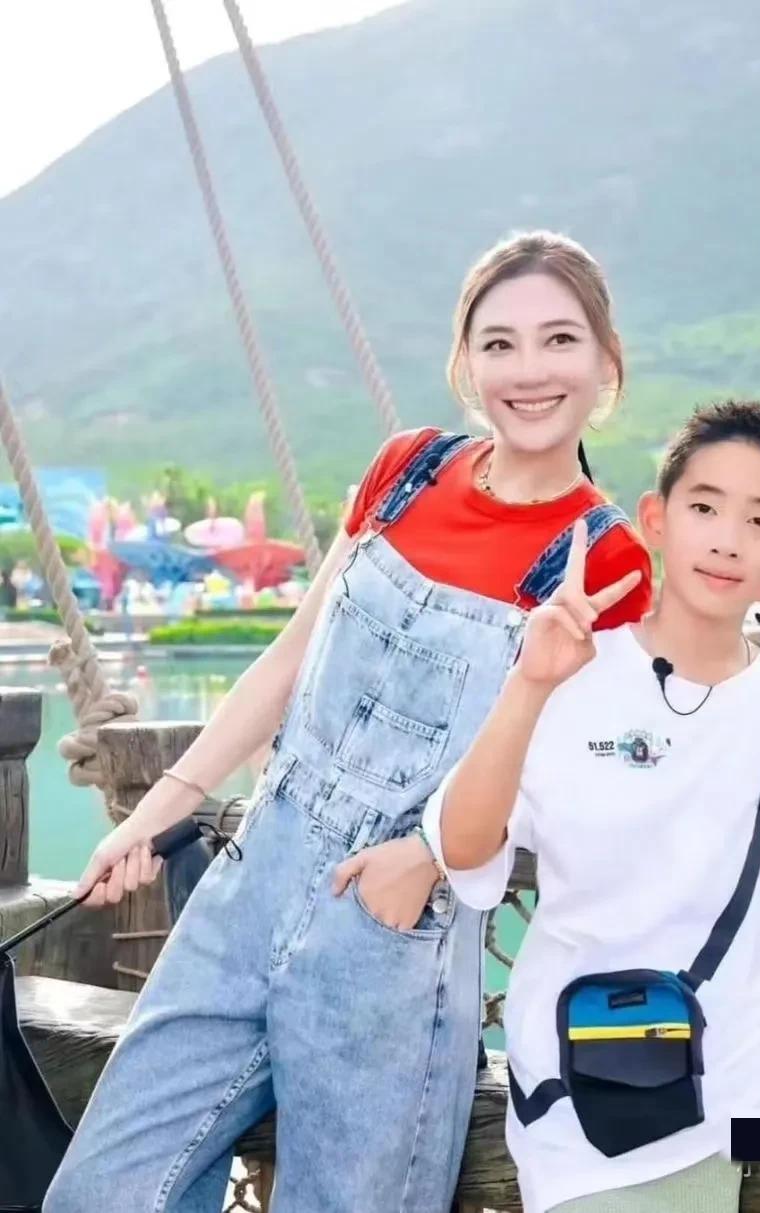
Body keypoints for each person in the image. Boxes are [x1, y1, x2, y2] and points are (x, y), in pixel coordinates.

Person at [44, 230, 652, 1213]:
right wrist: (153, 815)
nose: (529, 371)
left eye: (559, 340)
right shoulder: (406, 471)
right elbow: (288, 661)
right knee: (102, 1191)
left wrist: (423, 859)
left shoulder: (611, 561)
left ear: (605, 362)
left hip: (392, 937)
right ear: (464, 363)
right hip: (251, 880)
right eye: (499, 344)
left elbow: (580, 785)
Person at [427, 401, 760, 1213]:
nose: (727, 539)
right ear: (656, 519)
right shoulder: (570, 669)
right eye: (704, 507)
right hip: (612, 1093)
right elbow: (466, 850)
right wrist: (530, 683)